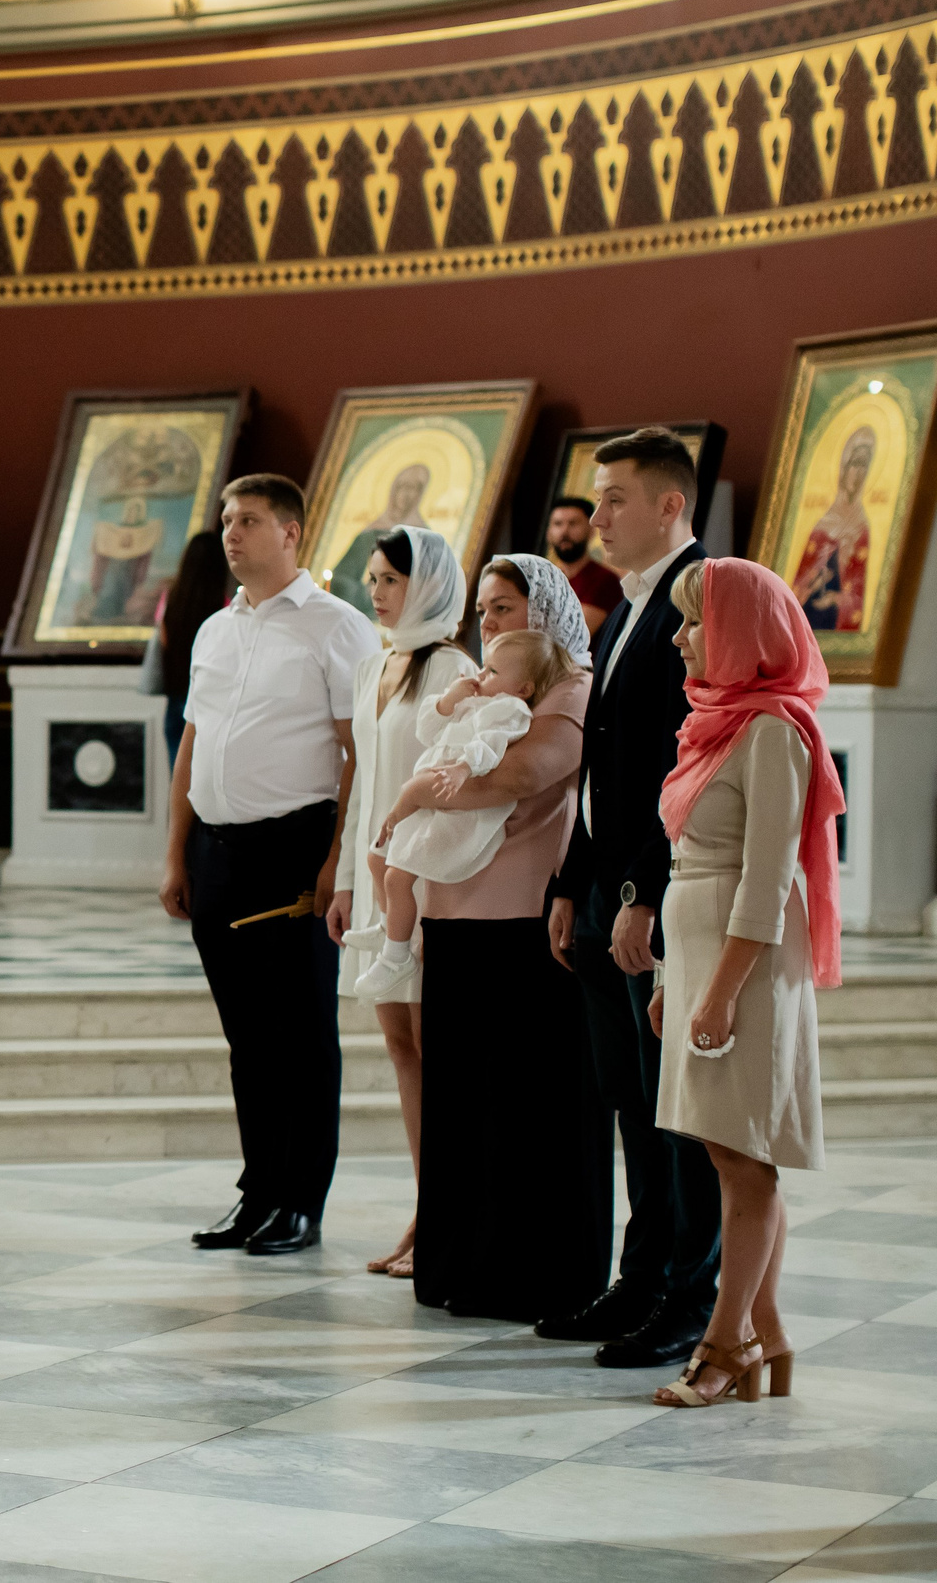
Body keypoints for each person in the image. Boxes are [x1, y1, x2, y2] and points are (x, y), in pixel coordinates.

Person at [162, 474, 379, 1255]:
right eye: (226, 520)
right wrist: (175, 851)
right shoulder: (217, 629)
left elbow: (360, 752)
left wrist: (337, 861)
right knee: (246, 1036)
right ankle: (257, 1189)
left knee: (299, 1033)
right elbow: (192, 741)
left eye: (248, 520)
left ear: (290, 532)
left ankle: (299, 1198)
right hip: (217, 851)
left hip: (297, 849)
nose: (231, 533)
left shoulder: (338, 627)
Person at [646, 559, 842, 1405]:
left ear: (742, 630)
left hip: (746, 957)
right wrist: (670, 975)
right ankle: (768, 1336)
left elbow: (765, 880)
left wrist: (721, 987)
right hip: (699, 949)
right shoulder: (716, 723)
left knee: (743, 1154)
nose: (683, 636)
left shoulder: (773, 731)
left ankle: (728, 1345)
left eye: (697, 621)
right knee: (731, 1148)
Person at [542, 427, 716, 1367]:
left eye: (613, 499)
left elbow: (681, 766)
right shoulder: (626, 606)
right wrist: (576, 879)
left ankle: (691, 1298)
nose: (595, 517)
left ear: (669, 506)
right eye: (596, 499)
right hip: (610, 880)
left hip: (663, 889)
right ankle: (641, 1278)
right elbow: (598, 765)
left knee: (679, 1106)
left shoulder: (701, 600)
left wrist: (642, 890)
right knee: (631, 1100)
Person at [405, 554, 605, 1322]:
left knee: (530, 1109)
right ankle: (461, 1264)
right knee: (463, 1102)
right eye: (483, 610)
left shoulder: (571, 686)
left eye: (505, 607)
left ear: (543, 612)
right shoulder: (478, 693)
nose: (489, 624)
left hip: (530, 921)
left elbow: (529, 772)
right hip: (453, 912)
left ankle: (536, 1271)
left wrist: (426, 789)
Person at [323, 526, 473, 1279]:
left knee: (438, 1052)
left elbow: (456, 792)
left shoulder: (455, 668)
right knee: (400, 1048)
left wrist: (407, 878)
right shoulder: (373, 665)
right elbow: (363, 783)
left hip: (424, 889)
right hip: (377, 890)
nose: (376, 592)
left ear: (429, 585)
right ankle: (427, 1201)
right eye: (373, 579)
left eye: (389, 580)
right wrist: (349, 881)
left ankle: (448, 1212)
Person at [357, 631, 577, 1000]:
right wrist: (449, 700)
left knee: (396, 877)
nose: (480, 675)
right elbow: (427, 731)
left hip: (460, 812)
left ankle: (396, 956)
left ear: (523, 688)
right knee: (377, 860)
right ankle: (386, 927)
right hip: (436, 798)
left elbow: (488, 747)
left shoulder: (511, 711)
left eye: (492, 670)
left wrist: (462, 768)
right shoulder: (475, 703)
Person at [150, 529, 233, 765]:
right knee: (204, 776)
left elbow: (163, 641)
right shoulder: (223, 604)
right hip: (207, 697)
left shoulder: (171, 598)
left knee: (178, 773)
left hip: (176, 693)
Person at [792, 427, 876, 632]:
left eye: (864, 466)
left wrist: (836, 598)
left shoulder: (862, 530)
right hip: (807, 624)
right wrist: (816, 577)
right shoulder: (821, 528)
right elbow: (795, 590)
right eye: (854, 464)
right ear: (843, 468)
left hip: (837, 624)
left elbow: (861, 595)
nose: (858, 473)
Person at [326, 463, 431, 617]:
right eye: (401, 487)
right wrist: (364, 593)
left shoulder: (425, 539)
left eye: (412, 488)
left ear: (420, 494)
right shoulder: (368, 535)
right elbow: (339, 579)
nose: (405, 494)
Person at [547, 496, 623, 635]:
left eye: (573, 523)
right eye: (558, 524)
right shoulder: (544, 578)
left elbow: (569, 636)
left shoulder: (604, 580)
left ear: (591, 531)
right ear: (548, 533)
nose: (564, 532)